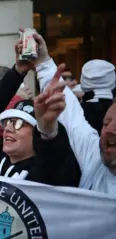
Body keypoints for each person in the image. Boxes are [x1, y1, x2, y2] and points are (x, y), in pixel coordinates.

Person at [35, 34, 116, 194]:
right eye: (106, 124)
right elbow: (71, 116)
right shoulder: (95, 158)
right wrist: (43, 62)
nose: (109, 131)